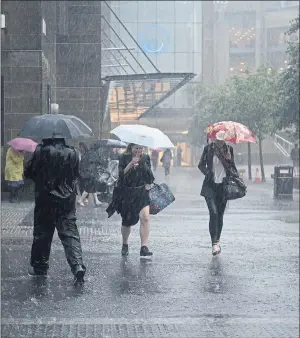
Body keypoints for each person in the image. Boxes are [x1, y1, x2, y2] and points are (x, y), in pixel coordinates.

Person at [24, 138, 86, 284]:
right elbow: (77, 175)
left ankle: (40, 267)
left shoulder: (40, 151)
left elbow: (29, 173)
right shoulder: (73, 152)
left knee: (42, 233)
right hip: (67, 200)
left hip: (45, 198)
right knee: (70, 233)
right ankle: (77, 265)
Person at [106, 143, 155, 257]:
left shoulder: (146, 157)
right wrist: (131, 163)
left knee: (145, 218)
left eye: (141, 148)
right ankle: (125, 244)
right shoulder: (124, 157)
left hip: (141, 192)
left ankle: (144, 247)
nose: (139, 150)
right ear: (131, 148)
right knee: (127, 222)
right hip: (127, 193)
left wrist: (142, 163)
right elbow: (121, 175)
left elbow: (150, 175)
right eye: (136, 148)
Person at [198, 131, 238, 256]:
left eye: (222, 140)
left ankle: (217, 241)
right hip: (210, 186)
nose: (220, 142)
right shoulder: (208, 149)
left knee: (219, 215)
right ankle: (214, 243)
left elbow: (233, 170)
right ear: (214, 139)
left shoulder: (229, 149)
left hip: (223, 186)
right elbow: (201, 165)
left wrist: (229, 160)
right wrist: (208, 173)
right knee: (213, 213)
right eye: (218, 139)